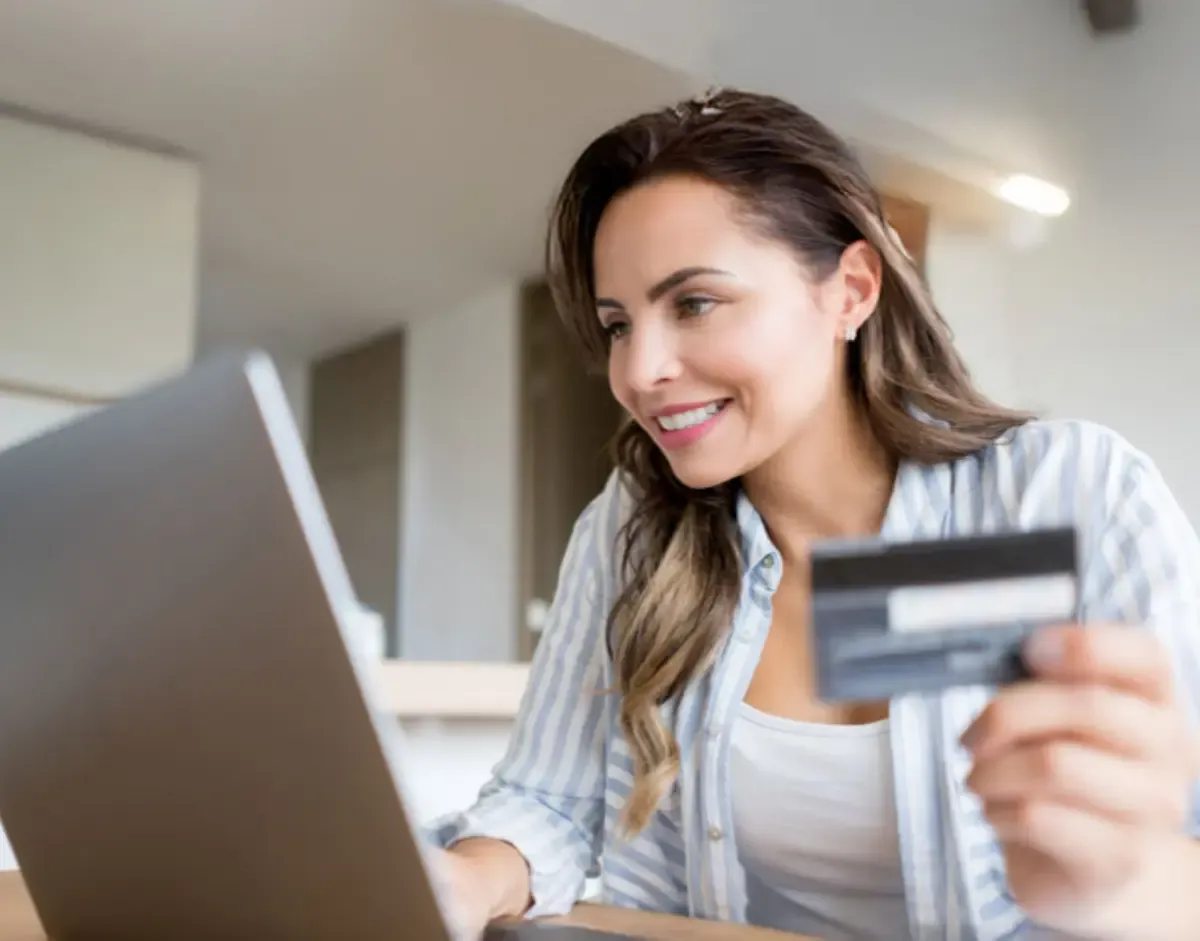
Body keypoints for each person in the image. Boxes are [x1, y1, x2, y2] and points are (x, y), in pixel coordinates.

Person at [428, 88, 1200, 941]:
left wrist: (1105, 885)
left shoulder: (1069, 493)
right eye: (618, 324)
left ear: (852, 292)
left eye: (694, 303)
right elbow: (547, 802)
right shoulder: (631, 531)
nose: (640, 370)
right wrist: (463, 880)